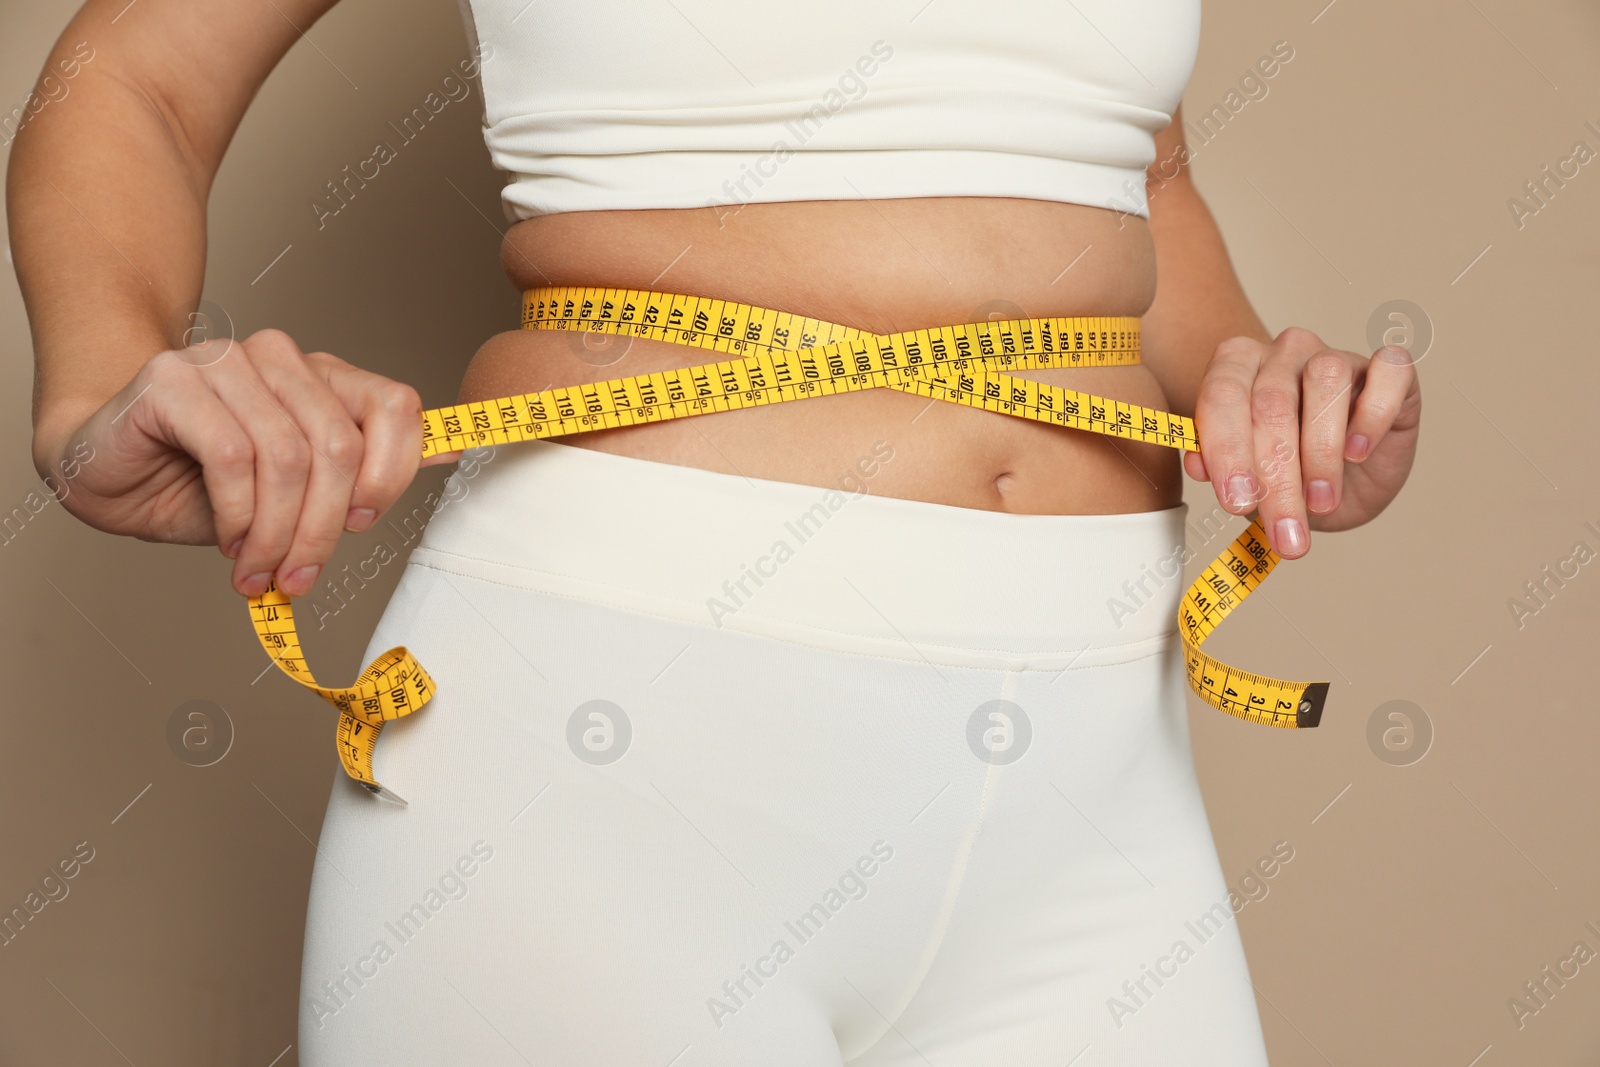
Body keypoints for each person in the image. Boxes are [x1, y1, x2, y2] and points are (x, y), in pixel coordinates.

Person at [11, 0, 1420, 1063]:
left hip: (1098, 769)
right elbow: (140, 76)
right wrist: (96, 383)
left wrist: (1270, 402)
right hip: (617, 761)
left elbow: (1128, 170)